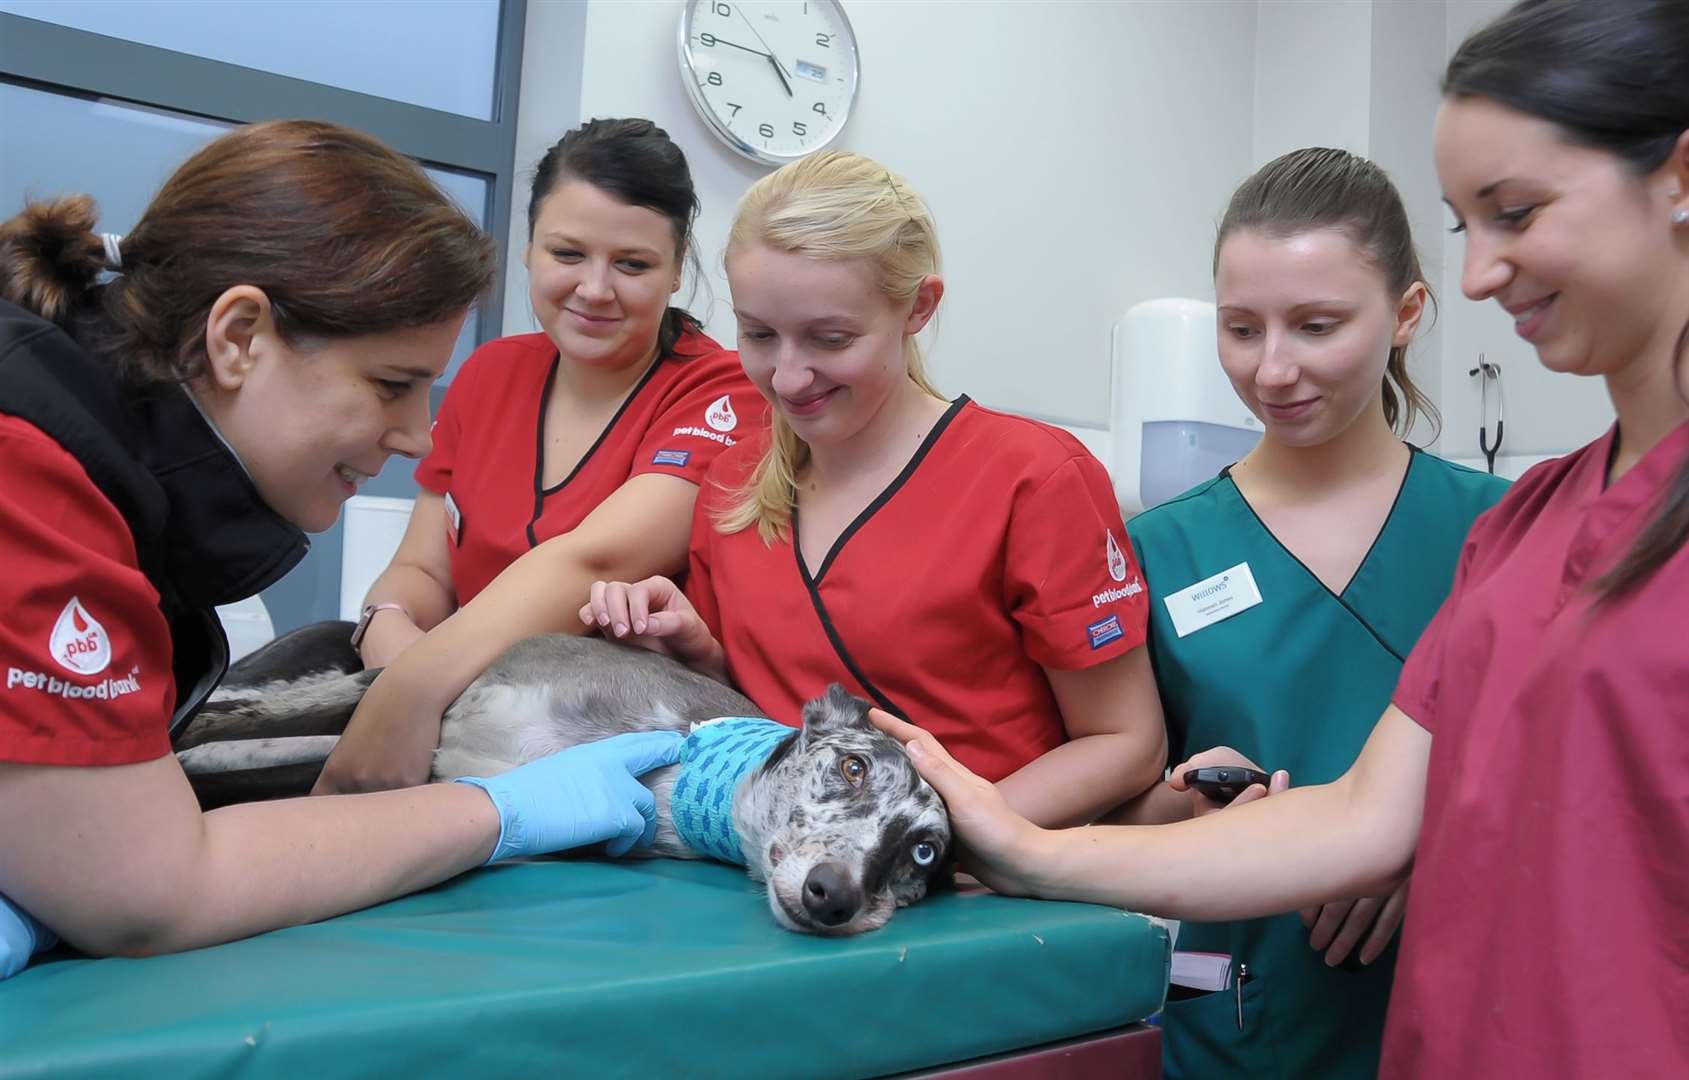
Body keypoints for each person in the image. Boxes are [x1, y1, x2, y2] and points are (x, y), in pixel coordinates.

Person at [871, 1, 1689, 1075]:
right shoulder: (1532, 528)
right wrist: (1026, 844)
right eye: (1465, 225)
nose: (1484, 273)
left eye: (1518, 211)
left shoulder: (1485, 517)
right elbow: (1362, 814)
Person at [0, 121, 683, 982]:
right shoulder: (30, 469)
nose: (415, 438)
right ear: (238, 335)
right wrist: (496, 812)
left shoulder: (86, 439)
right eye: (390, 385)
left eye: (632, 264)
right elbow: (147, 891)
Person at [583, 152, 1168, 828]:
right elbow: (763, 704)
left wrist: (939, 843)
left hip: (977, 892)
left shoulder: (1031, 479)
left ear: (918, 307)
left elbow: (1124, 744)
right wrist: (693, 650)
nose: (790, 377)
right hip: (786, 867)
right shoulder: (731, 484)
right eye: (759, 335)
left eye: (830, 339)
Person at [1107, 147, 1509, 1078]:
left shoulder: (1497, 531)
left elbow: (1568, 778)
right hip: (1244, 1009)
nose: (1272, 369)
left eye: (1316, 325)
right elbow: (1115, 811)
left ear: (1406, 314)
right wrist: (1176, 797)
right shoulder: (1160, 549)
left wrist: (1411, 843)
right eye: (1241, 329)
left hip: (1454, 995)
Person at [315, 118, 759, 795]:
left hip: (599, 744)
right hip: (445, 711)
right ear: (527, 250)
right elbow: (421, 568)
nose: (594, 289)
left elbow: (596, 560)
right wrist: (388, 627)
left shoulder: (721, 393)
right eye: (567, 253)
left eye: (633, 264)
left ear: (676, 269)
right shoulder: (488, 375)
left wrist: (413, 686)